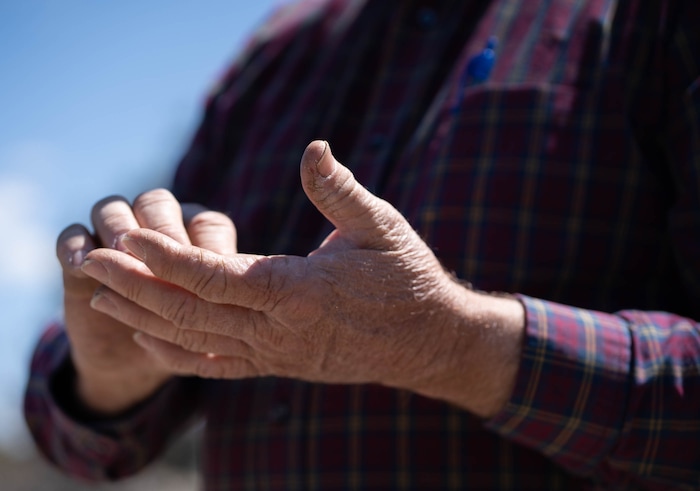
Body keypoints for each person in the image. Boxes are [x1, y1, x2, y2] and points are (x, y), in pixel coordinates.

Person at [24, 0, 700, 489]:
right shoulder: (276, 52)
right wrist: (114, 370)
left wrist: (453, 345)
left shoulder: (653, 21)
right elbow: (85, 446)